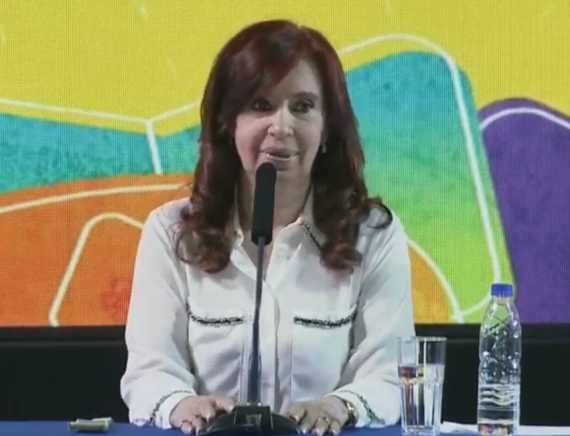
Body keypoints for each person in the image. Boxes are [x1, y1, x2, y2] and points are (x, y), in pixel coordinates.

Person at [120, 19, 415, 435]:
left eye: (303, 107)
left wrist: (338, 406)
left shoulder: (371, 234)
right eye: (260, 105)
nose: (281, 126)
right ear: (228, 124)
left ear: (327, 128)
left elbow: (390, 374)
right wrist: (182, 403)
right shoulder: (171, 232)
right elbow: (149, 369)